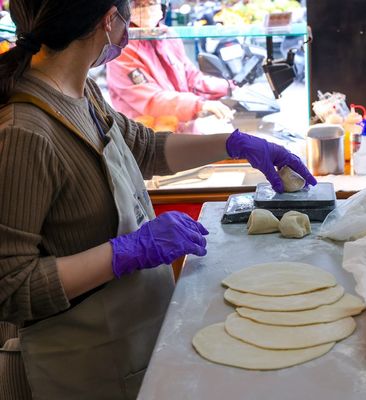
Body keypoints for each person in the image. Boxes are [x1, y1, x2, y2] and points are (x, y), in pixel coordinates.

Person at [0, 1, 317, 399]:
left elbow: (143, 147)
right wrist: (127, 251)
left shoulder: (82, 92)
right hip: (77, 367)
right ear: (108, 20)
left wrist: (233, 143)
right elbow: (10, 286)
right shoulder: (25, 131)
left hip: (130, 342)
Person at [106, 0, 234, 134]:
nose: (146, 9)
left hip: (182, 132)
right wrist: (198, 105)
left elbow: (192, 78)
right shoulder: (122, 46)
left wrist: (229, 86)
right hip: (146, 138)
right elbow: (152, 100)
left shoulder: (167, 35)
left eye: (151, 3)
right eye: (138, 5)